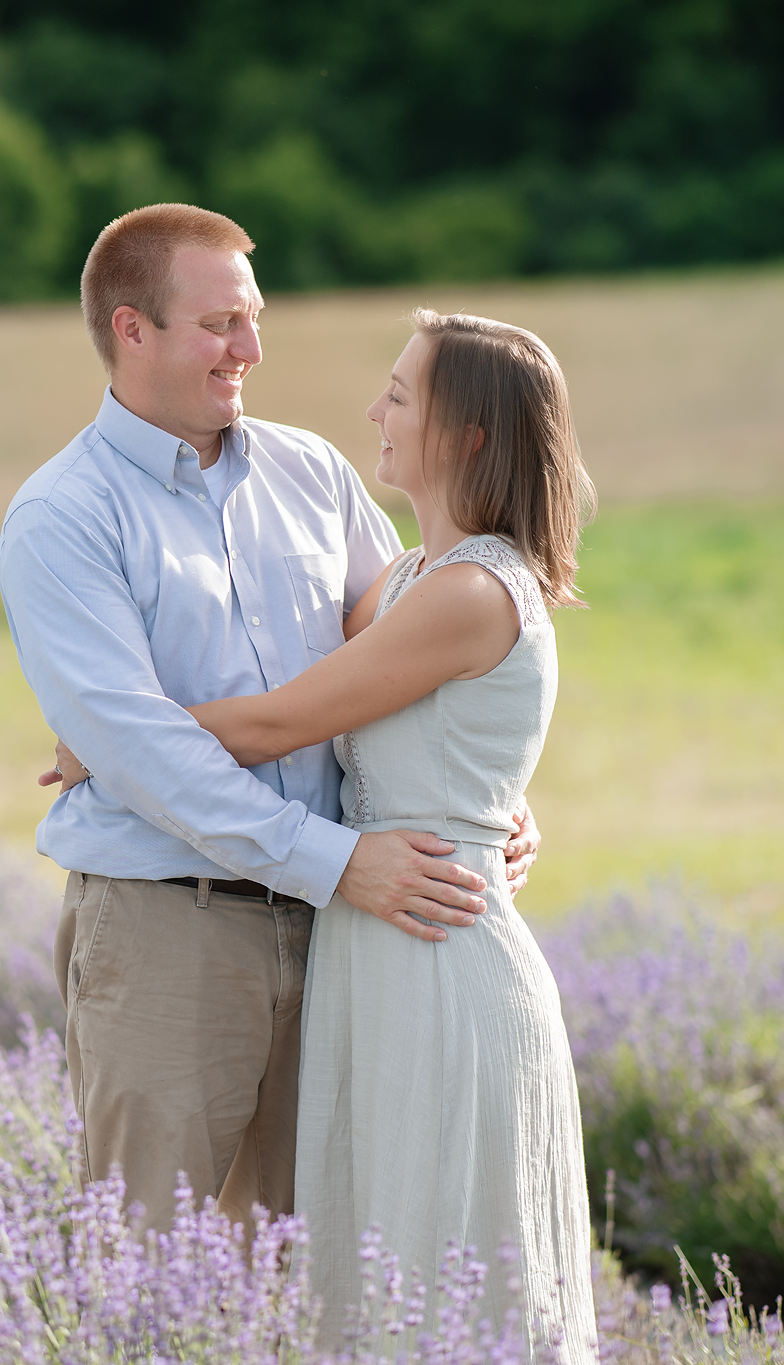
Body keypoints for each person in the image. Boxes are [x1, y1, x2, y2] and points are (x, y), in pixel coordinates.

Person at [0, 203, 541, 1236]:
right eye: (217, 326)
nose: (250, 348)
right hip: (172, 930)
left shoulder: (312, 473)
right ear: (130, 329)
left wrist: (491, 798)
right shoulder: (61, 518)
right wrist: (336, 859)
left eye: (251, 317)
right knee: (144, 1269)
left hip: (349, 938)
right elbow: (147, 760)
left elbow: (416, 661)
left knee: (313, 1266)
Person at [147, 309, 599, 1357]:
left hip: (441, 957)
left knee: (441, 1267)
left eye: (398, 395)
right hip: (375, 946)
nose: (372, 412)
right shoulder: (400, 583)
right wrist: (502, 808)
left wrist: (107, 739)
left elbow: (277, 722)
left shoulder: (473, 590)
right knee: (372, 1272)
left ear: (465, 434)